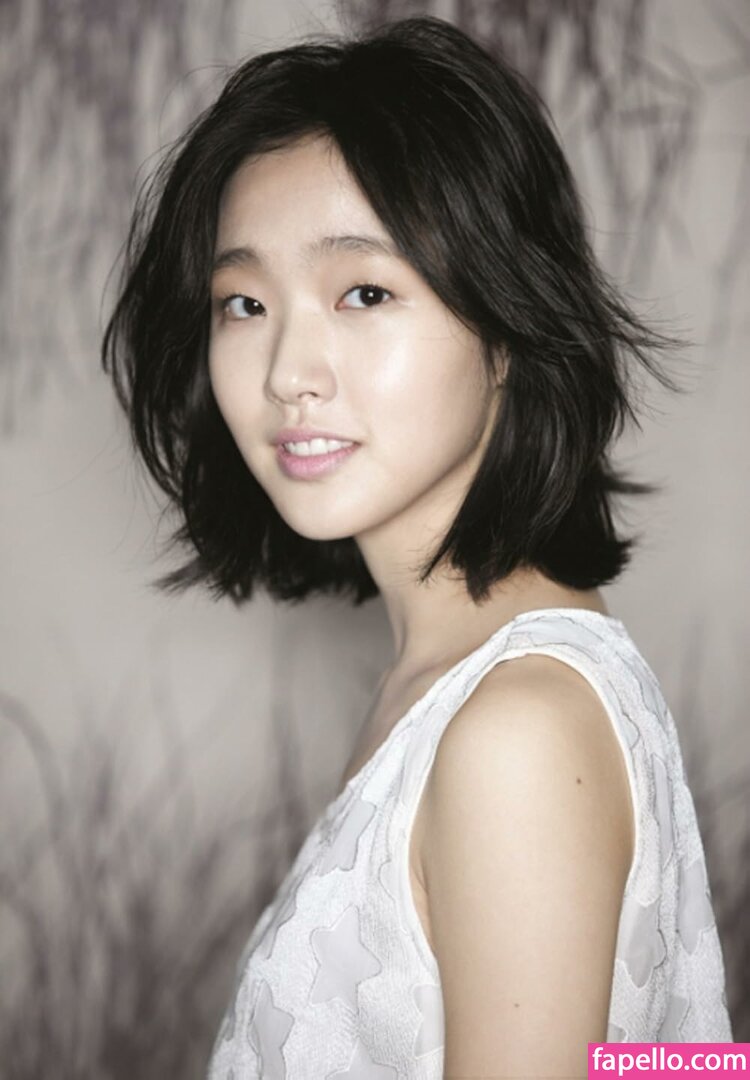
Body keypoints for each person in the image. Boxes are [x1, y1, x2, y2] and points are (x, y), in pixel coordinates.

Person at [101, 14, 733, 1078]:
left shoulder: (514, 731)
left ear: (507, 320)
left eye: (364, 292)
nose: (288, 371)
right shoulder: (455, 684)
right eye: (244, 302)